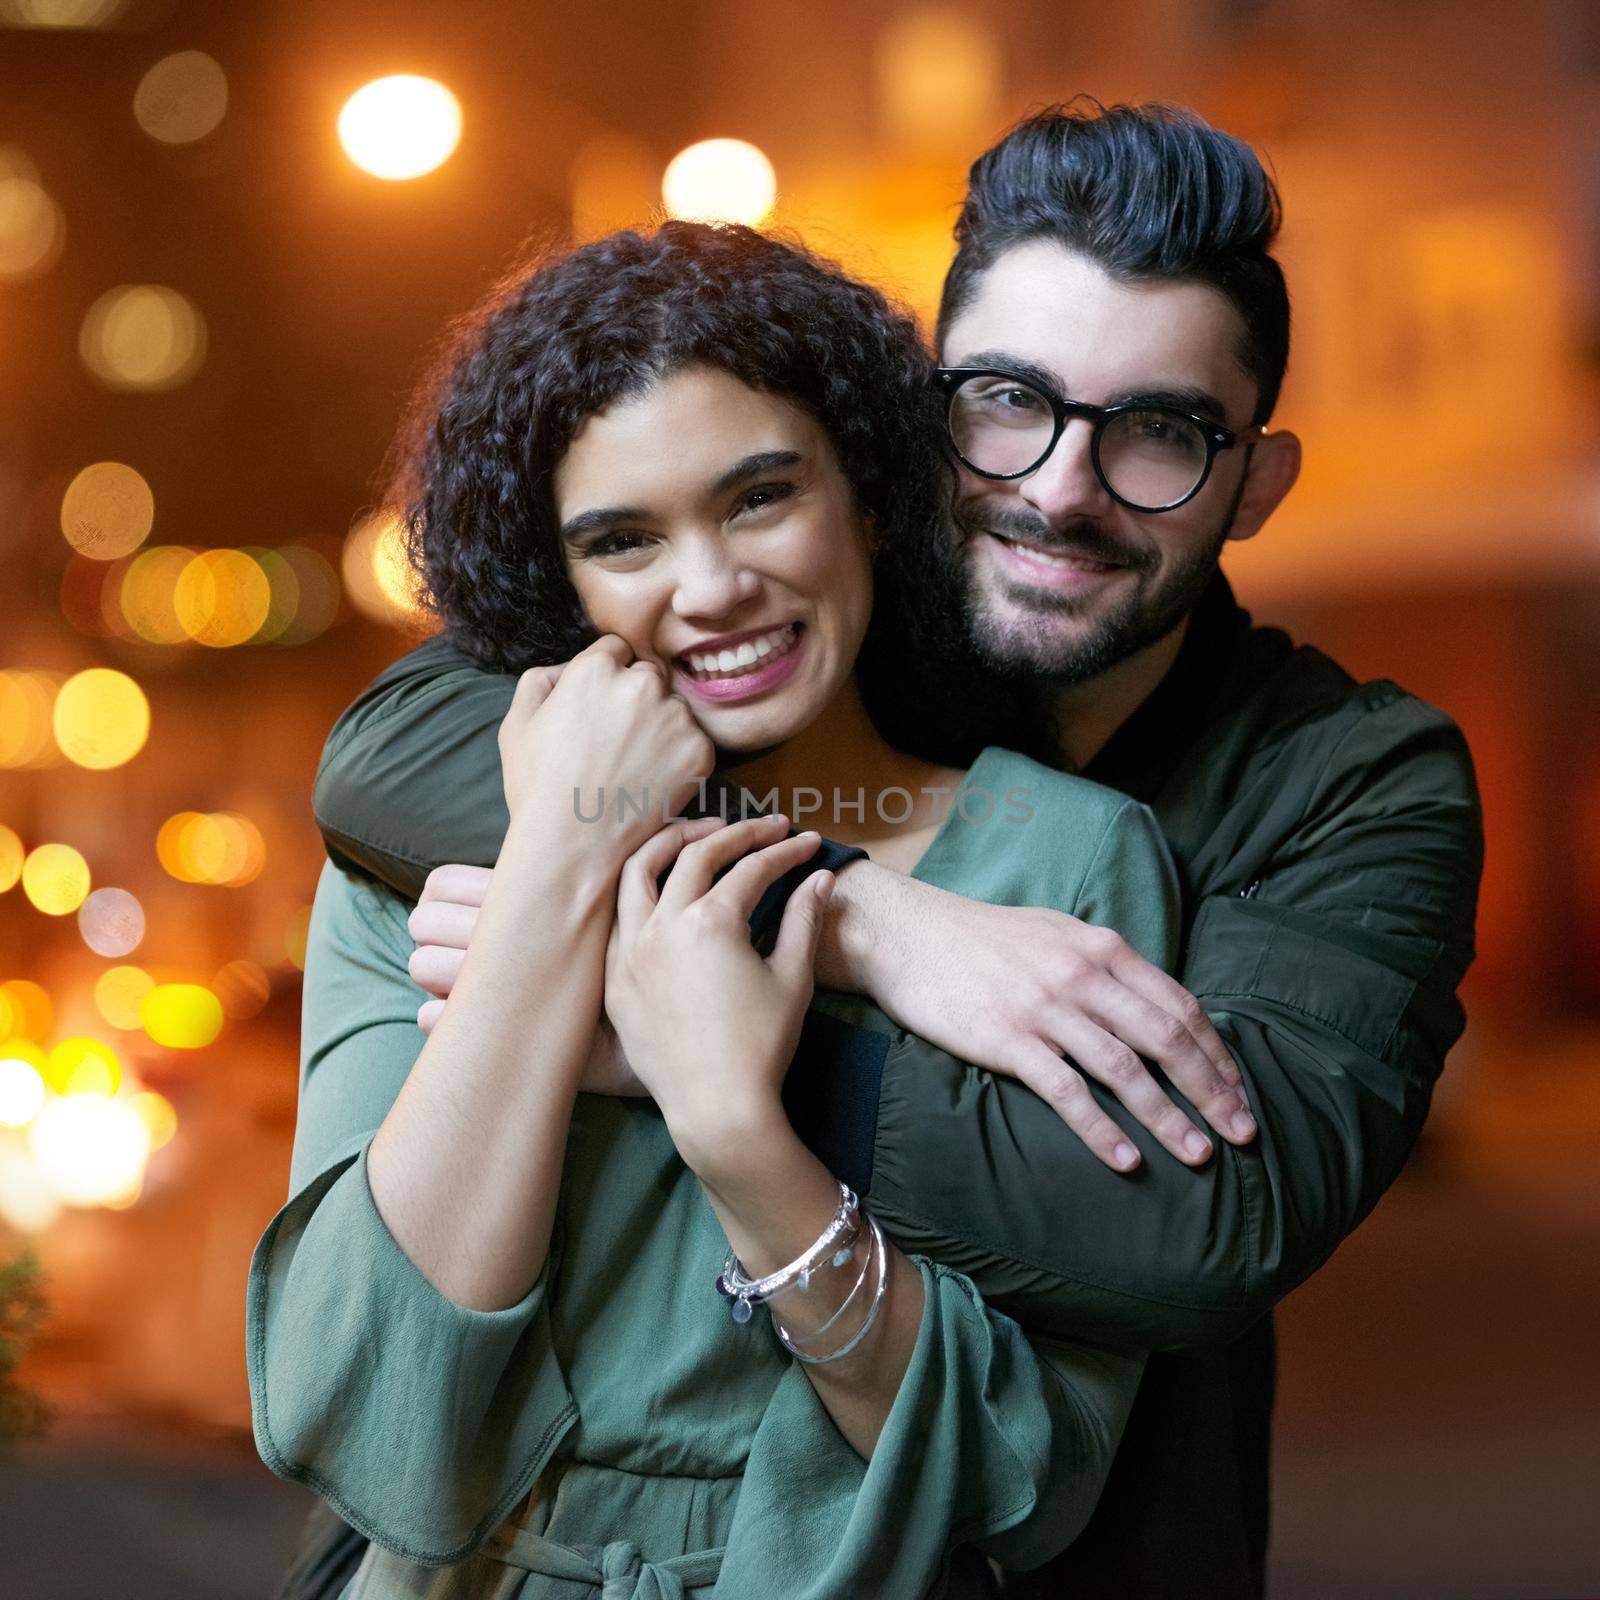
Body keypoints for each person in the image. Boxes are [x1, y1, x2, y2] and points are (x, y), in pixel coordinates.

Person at [306, 102, 1485, 1596]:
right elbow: (390, 749)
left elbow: (1208, 1217)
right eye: (1009, 402)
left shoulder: (1352, 777)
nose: (1062, 487)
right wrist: (863, 918)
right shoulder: (798, 637)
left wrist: (701, 1037)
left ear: (1256, 479)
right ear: (922, 415)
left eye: (1162, 434)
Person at [249, 220, 1198, 1599]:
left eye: (759, 498)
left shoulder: (1063, 860)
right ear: (559, 584)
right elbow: (355, 1425)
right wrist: (562, 869)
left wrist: (735, 1125)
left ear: (867, 495)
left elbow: (1020, 1476)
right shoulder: (424, 863)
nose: (710, 589)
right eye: (623, 540)